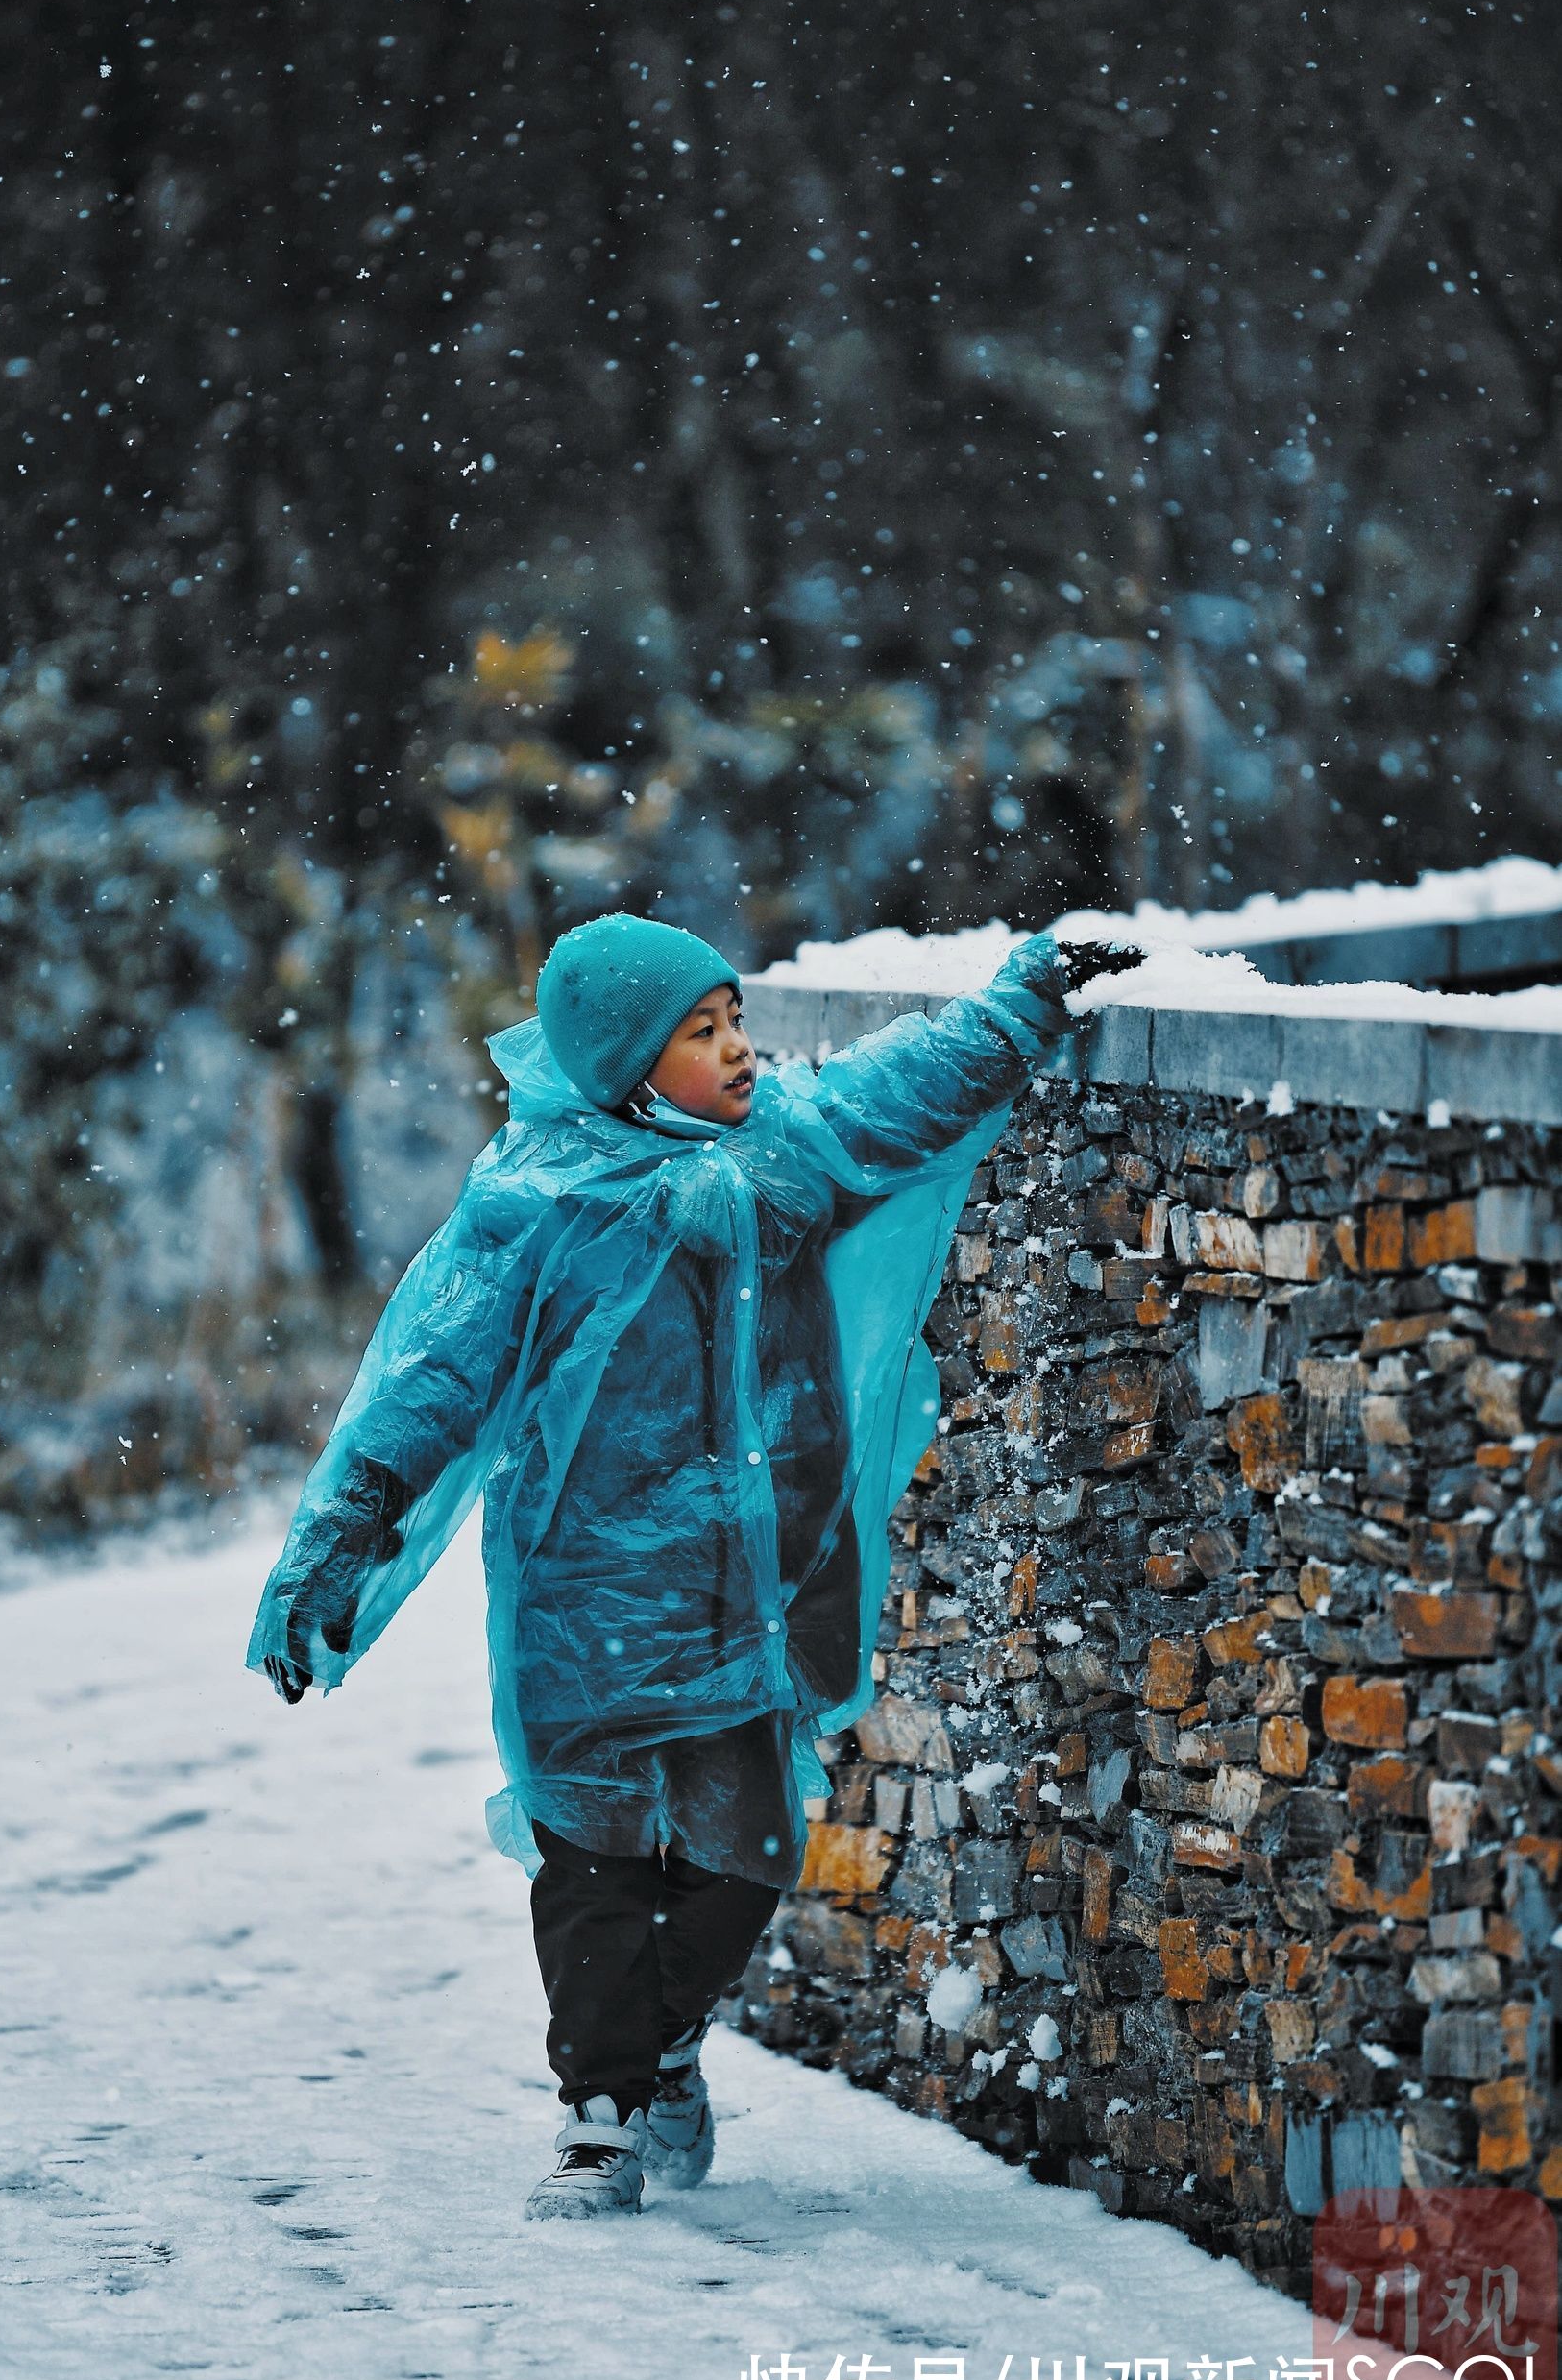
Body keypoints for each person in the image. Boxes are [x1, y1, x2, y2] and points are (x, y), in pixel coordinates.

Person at [244, 911, 1143, 2220]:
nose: (738, 1049)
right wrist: (335, 1543)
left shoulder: (779, 1147)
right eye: (700, 1033)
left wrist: (1025, 1002)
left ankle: (663, 2043)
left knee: (749, 1851)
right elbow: (424, 1388)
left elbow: (905, 1088)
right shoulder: (536, 1207)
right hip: (587, 1598)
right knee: (595, 1862)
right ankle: (599, 2108)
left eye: (734, 1019)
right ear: (622, 1065)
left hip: (760, 1596)